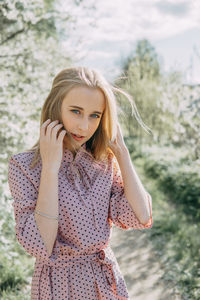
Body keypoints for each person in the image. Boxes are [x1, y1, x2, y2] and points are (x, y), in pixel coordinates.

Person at [8, 66, 153, 300]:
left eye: (95, 115)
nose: (84, 126)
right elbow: (40, 245)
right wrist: (51, 167)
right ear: (56, 107)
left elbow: (141, 216)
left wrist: (122, 153)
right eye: (76, 111)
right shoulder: (24, 166)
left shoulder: (105, 162)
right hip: (57, 287)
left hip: (104, 283)